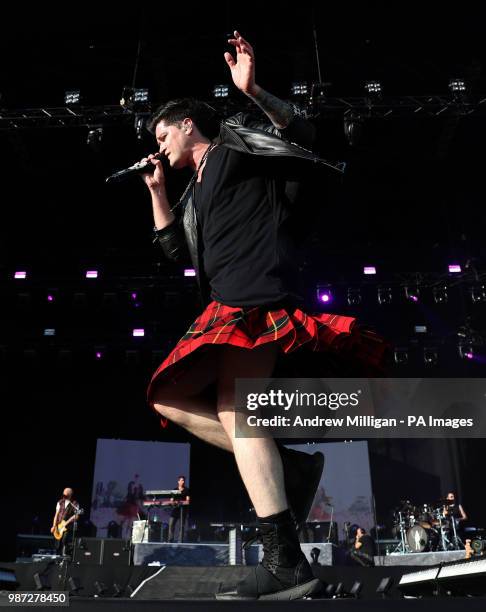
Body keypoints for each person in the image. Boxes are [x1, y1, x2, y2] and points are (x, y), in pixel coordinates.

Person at [139, 31, 388, 600]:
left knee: (233, 406)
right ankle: (292, 476)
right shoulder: (192, 191)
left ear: (186, 125)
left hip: (257, 296)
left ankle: (284, 562)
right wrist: (156, 190)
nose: (158, 145)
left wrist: (253, 91)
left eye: (161, 134)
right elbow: (176, 250)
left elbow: (301, 135)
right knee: (168, 398)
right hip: (223, 304)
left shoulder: (233, 147)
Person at [51, 488, 79, 557]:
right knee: (57, 544)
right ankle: (57, 558)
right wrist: (54, 526)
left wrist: (68, 522)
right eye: (64, 494)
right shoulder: (60, 502)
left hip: (67, 527)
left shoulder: (74, 503)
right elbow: (56, 514)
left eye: (66, 495)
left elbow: (76, 516)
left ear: (70, 495)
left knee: (64, 541)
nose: (64, 496)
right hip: (58, 526)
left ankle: (64, 556)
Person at [168, 475, 190, 543]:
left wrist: (183, 502)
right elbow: (171, 500)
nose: (182, 482)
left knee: (181, 526)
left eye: (183, 480)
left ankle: (180, 540)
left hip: (183, 510)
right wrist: (173, 502)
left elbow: (187, 500)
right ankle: (170, 539)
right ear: (178, 481)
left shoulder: (187, 490)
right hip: (175, 510)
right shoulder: (175, 490)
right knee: (171, 524)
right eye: (181, 480)